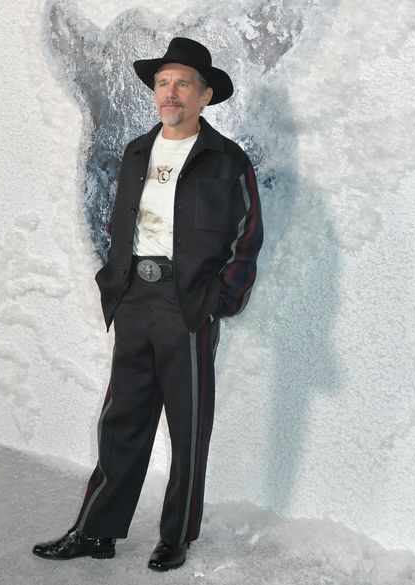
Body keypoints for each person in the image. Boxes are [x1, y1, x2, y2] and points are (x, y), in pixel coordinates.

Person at [33, 37, 263, 572]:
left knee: (188, 427)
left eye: (183, 83)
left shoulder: (227, 159)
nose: (170, 92)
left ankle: (176, 536)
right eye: (163, 83)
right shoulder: (137, 151)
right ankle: (96, 531)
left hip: (188, 307)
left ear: (205, 95)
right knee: (121, 421)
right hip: (135, 299)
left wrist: (217, 302)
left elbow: (247, 236)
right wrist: (115, 277)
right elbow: (118, 222)